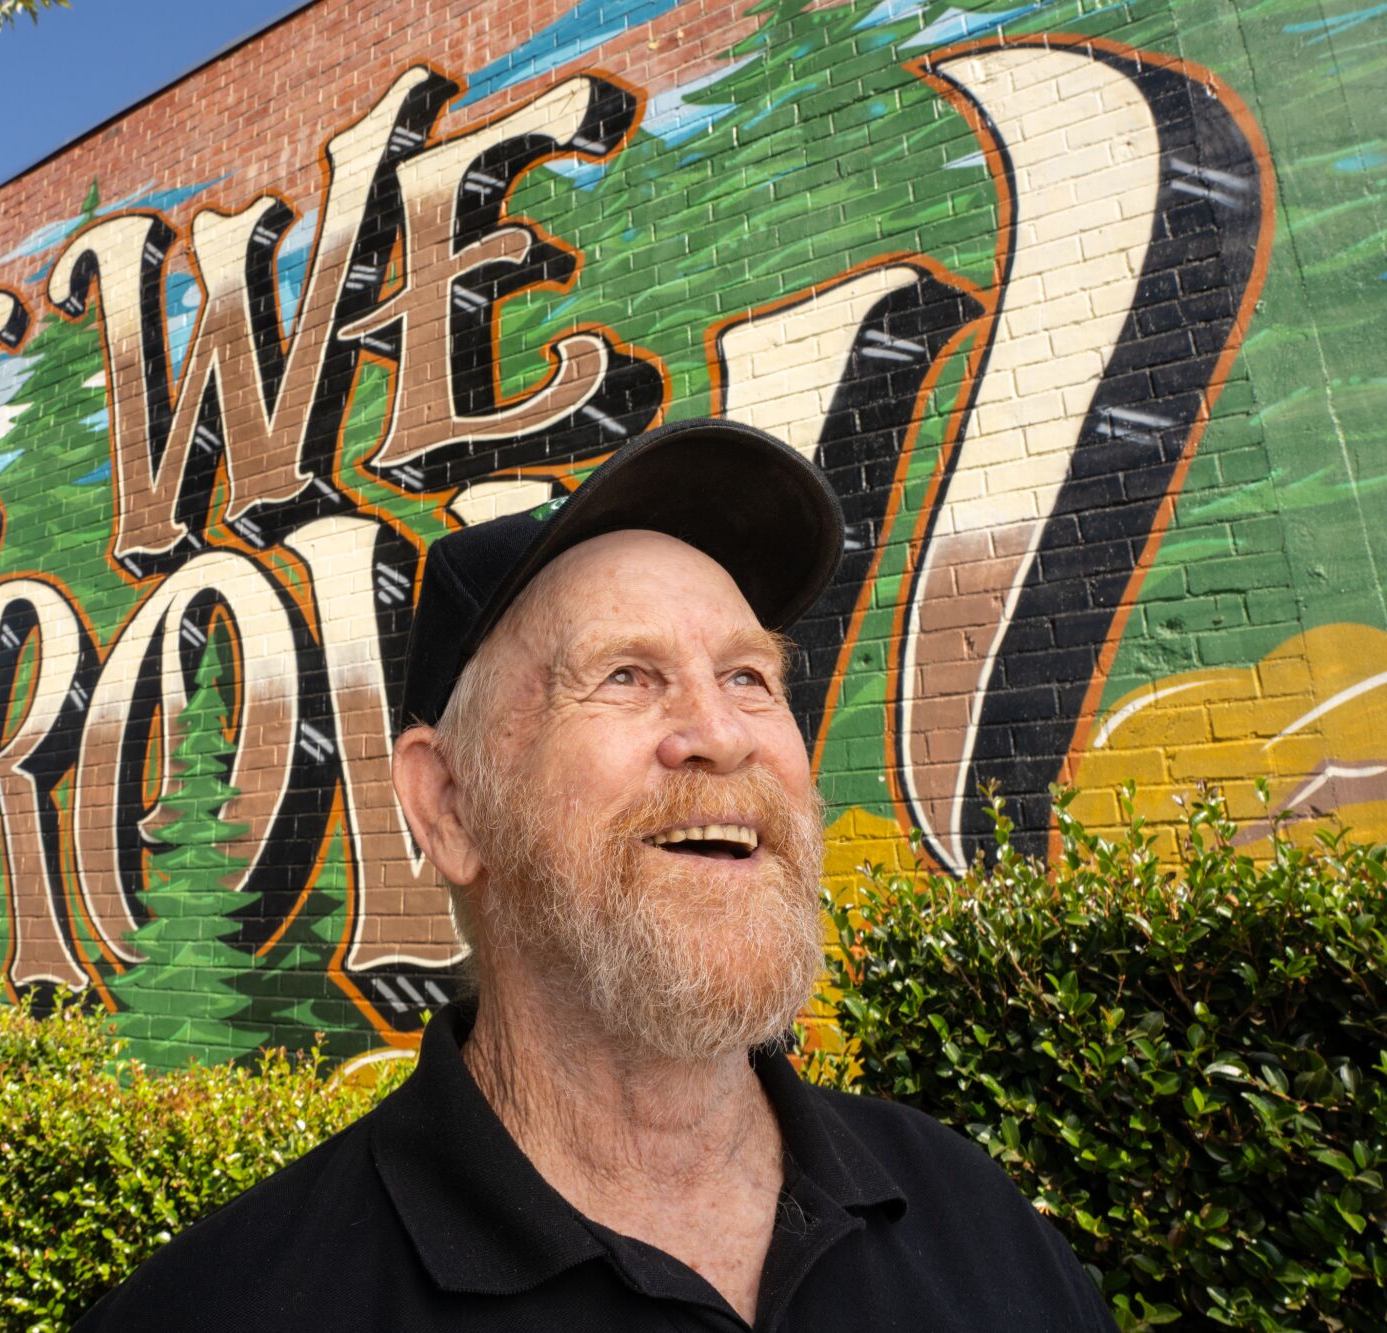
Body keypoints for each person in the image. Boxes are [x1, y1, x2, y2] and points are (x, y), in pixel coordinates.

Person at [77, 418, 1118, 1331]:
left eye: (749, 676)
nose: (718, 734)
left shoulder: (966, 1211)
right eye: (624, 674)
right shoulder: (239, 1304)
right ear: (448, 805)